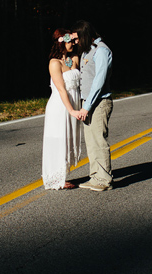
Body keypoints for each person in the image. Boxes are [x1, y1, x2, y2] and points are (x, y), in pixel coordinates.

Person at [72, 20, 114, 191]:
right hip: (87, 103)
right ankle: (95, 176)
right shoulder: (86, 51)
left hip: (99, 102)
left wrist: (86, 107)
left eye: (76, 39)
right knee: (91, 142)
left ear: (85, 35)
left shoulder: (102, 50)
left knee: (99, 140)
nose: (75, 43)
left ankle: (104, 180)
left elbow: (99, 82)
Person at [41, 28, 83, 190]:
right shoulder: (54, 63)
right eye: (69, 40)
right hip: (60, 107)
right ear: (61, 42)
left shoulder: (74, 59)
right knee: (58, 139)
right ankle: (55, 179)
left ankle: (63, 174)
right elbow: (61, 90)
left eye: (73, 40)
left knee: (68, 140)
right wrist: (71, 110)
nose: (72, 43)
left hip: (74, 103)